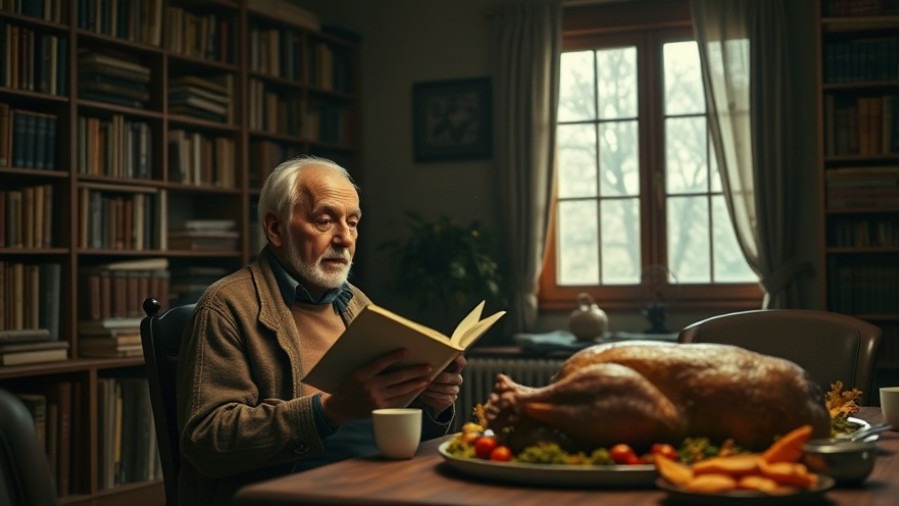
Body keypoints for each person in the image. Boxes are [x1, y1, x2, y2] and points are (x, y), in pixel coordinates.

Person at [175, 156, 465, 505]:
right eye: (325, 221)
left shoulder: (355, 302)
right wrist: (330, 411)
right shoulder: (226, 307)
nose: (344, 238)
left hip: (382, 481)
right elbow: (208, 441)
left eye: (353, 222)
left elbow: (379, 414)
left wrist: (431, 401)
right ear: (276, 229)